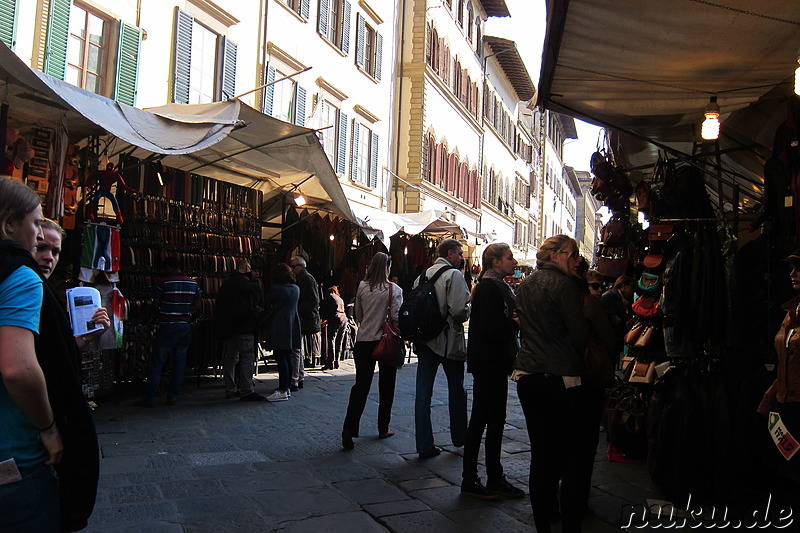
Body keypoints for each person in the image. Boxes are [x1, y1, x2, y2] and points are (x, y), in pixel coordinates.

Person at [513, 235, 588, 533]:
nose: (578, 259)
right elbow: (579, 335)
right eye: (573, 254)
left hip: (528, 374)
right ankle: (570, 524)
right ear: (557, 256)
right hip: (560, 376)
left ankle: (542, 522)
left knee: (541, 453)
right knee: (571, 455)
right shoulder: (565, 285)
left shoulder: (527, 283)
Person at [0, 177, 62, 531]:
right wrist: (49, 428)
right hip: (15, 459)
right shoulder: (20, 276)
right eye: (36, 223)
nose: (40, 235)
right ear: (10, 225)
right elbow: (17, 369)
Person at [461, 243, 525, 500]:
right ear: (496, 262)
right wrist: (514, 323)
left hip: (493, 363)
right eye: (510, 258)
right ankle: (473, 478)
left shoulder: (495, 285)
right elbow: (489, 328)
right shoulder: (490, 287)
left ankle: (492, 476)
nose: (514, 262)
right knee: (483, 421)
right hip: (489, 363)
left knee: (493, 420)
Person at [413, 239, 471, 459]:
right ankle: (459, 436)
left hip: (425, 341)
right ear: (450, 253)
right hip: (447, 341)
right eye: (459, 253)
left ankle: (424, 445)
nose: (462, 257)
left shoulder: (422, 275)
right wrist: (468, 310)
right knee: (457, 389)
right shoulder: (453, 275)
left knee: (423, 394)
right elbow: (459, 312)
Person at [341, 253, 403, 450]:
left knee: (361, 386)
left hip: (364, 341)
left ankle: (349, 429)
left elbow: (358, 315)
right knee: (387, 386)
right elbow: (396, 317)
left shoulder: (362, 286)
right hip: (385, 341)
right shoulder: (394, 290)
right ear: (387, 267)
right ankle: (383, 427)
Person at [758, 249, 800, 505]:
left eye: (799, 268)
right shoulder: (790, 312)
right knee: (787, 469)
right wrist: (771, 397)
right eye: (792, 268)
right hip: (786, 405)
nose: (793, 274)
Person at [34, 218, 110, 350]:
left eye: (55, 252)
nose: (49, 257)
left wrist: (90, 336)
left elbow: (57, 354)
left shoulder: (45, 294)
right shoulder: (21, 291)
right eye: (41, 248)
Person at [136, 257, 201, 407]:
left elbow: (156, 305)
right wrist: (184, 311)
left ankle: (151, 397)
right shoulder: (193, 283)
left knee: (158, 362)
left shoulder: (163, 282)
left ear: (169, 267)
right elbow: (198, 305)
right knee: (179, 362)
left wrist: (165, 310)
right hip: (184, 326)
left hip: (167, 325)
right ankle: (172, 396)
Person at [216, 258, 265, 402]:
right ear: (247, 268)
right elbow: (254, 295)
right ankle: (246, 390)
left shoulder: (227, 283)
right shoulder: (245, 283)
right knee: (247, 358)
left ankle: (230, 388)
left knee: (231, 358)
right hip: (243, 326)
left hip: (229, 327)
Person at [263, 263, 302, 402]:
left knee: (281, 358)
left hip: (279, 325)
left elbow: (265, 302)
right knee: (288, 356)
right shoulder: (296, 289)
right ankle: (287, 387)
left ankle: (282, 389)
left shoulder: (276, 289)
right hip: (292, 325)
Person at [289, 256, 320, 389]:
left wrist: (297, 309)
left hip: (304, 317)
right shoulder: (300, 278)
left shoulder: (307, 279)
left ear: (301, 266)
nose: (291, 269)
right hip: (302, 317)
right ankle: (299, 377)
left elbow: (314, 301)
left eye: (293, 266)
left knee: (296, 349)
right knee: (298, 348)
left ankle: (296, 378)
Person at [320, 286, 347, 370]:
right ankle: (337, 362)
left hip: (335, 319)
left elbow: (324, 310)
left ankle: (330, 362)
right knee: (339, 341)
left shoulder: (329, 297)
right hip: (344, 319)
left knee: (331, 339)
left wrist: (323, 320)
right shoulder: (339, 298)